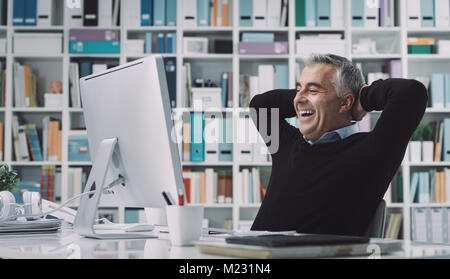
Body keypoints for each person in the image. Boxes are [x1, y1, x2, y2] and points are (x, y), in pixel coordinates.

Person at [249, 54, 427, 236]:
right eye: (298, 89)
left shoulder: (372, 152)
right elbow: (260, 105)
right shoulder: (287, 145)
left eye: (313, 90)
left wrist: (363, 97)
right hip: (248, 256)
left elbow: (412, 92)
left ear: (345, 102)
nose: (297, 99)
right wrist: (308, 97)